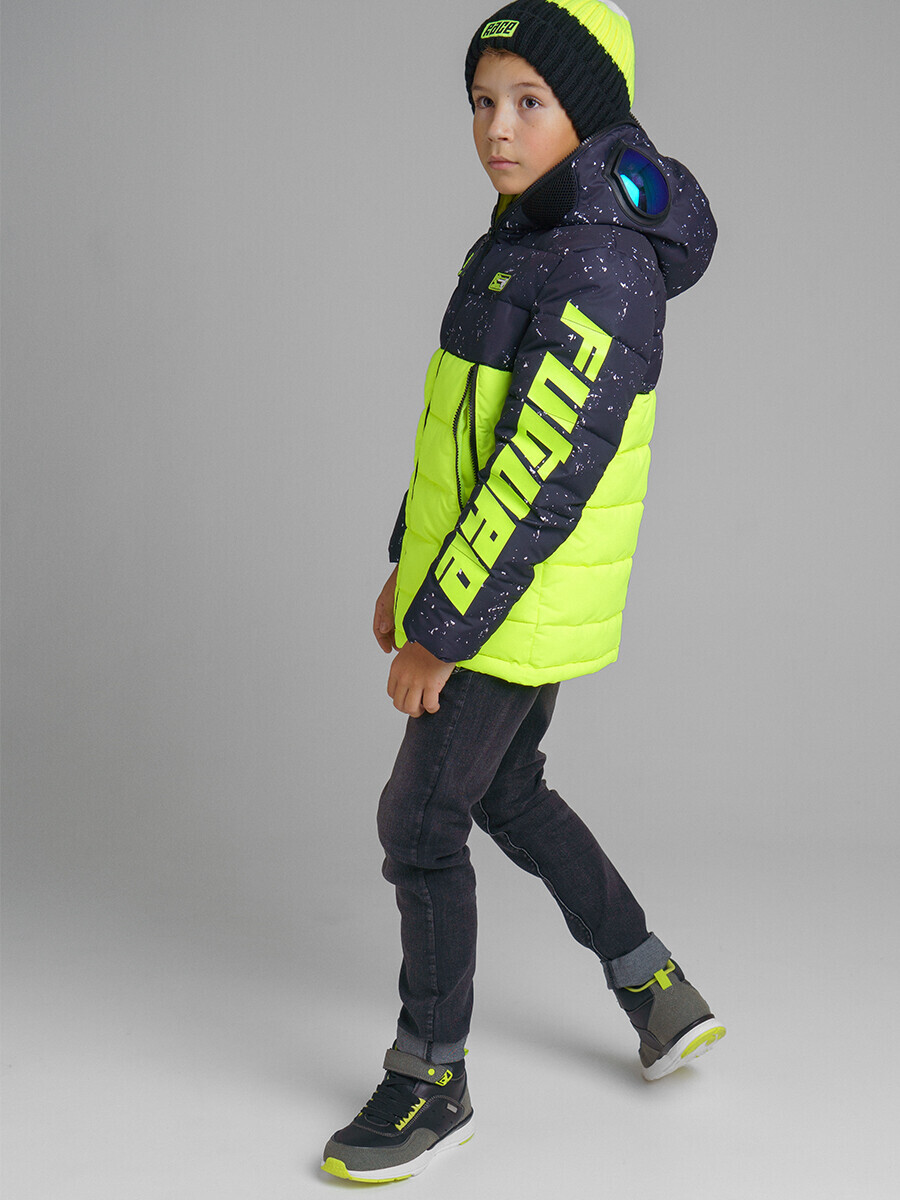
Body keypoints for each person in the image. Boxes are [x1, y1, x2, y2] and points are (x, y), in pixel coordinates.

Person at [321, 0, 724, 1184]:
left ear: (585, 117)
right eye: (483, 102)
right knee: (507, 792)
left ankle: (429, 1077)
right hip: (489, 588)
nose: (498, 127)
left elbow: (538, 470)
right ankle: (654, 985)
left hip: (510, 603)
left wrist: (442, 629)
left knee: (419, 824)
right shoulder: (526, 235)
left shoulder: (598, 261)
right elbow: (460, 435)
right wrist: (408, 563)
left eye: (530, 102)